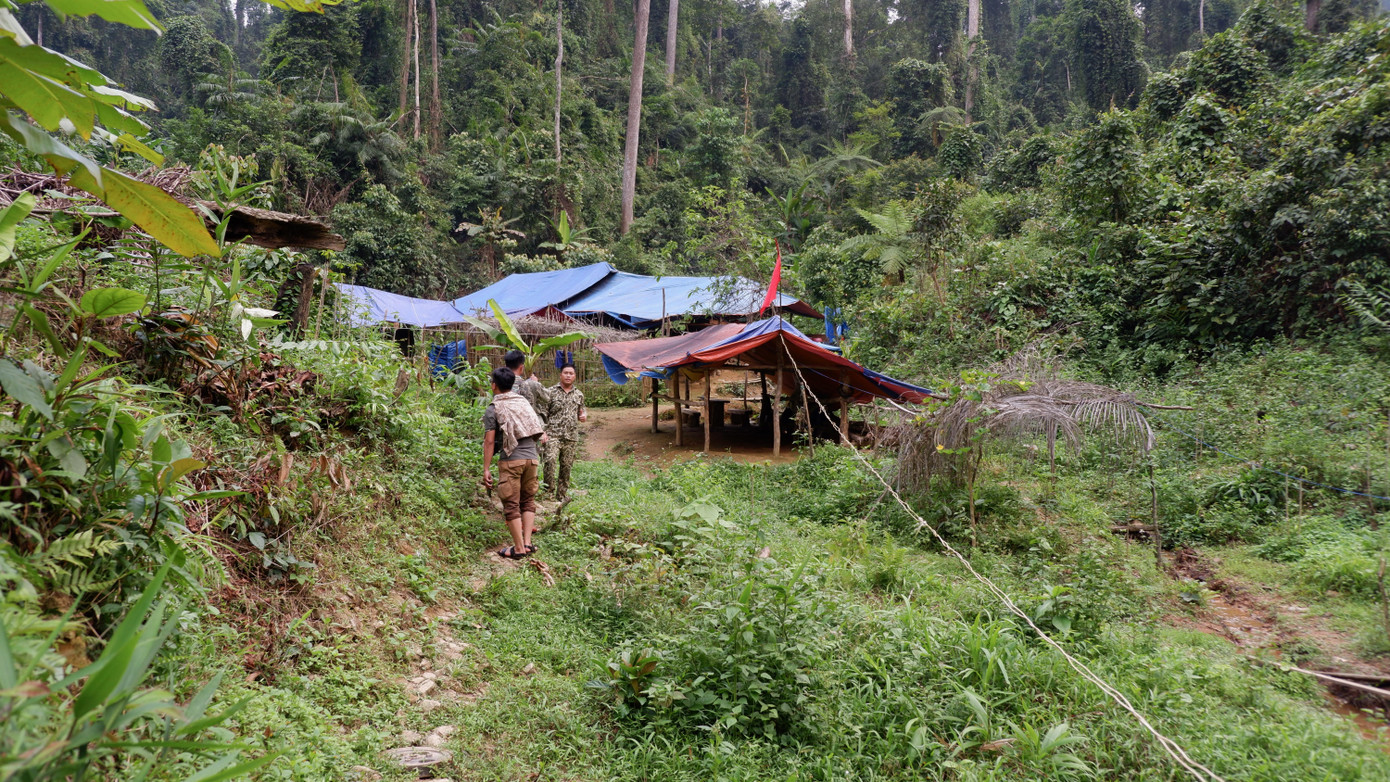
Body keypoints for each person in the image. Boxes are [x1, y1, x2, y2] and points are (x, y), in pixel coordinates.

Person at [482, 367, 547, 559]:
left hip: (512, 461)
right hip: (532, 459)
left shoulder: (494, 408)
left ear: (494, 385)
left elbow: (490, 441)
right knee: (528, 500)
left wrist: (486, 468)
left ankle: (518, 549)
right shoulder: (523, 402)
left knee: (511, 504)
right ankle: (527, 543)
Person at [542, 363, 587, 501]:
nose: (568, 375)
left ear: (575, 376)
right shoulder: (550, 392)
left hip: (570, 436)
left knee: (566, 467)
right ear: (560, 375)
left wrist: (583, 415)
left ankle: (561, 496)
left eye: (571, 373)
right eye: (565, 373)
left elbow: (582, 410)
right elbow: (543, 413)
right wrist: (542, 432)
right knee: (549, 462)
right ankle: (548, 494)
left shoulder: (579, 394)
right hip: (552, 434)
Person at [503, 350, 549, 424]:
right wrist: (535, 383)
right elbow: (547, 398)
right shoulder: (532, 384)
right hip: (527, 426)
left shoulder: (498, 384)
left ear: (505, 366)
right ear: (522, 367)